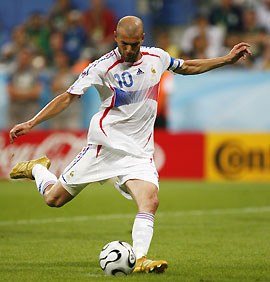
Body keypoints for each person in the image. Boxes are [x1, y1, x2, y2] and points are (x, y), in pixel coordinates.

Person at [9, 16, 251, 274]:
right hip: (104, 147)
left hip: (139, 152)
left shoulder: (156, 58)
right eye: (124, 44)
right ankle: (37, 169)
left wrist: (226, 59)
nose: (128, 50)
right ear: (115, 37)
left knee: (150, 199)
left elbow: (188, 66)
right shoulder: (102, 67)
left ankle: (140, 258)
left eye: (133, 45)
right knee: (53, 199)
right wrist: (32, 122)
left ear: (142, 39)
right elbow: (68, 98)